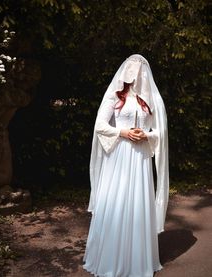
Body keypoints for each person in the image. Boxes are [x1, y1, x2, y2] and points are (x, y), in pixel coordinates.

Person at [83, 54, 169, 277]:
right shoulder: (115, 95)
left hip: (140, 158)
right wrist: (122, 132)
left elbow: (162, 132)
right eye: (133, 68)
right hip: (120, 156)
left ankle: (137, 260)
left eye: (141, 69)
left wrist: (147, 135)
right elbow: (100, 125)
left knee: (138, 203)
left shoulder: (150, 100)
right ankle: (111, 259)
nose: (137, 72)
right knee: (117, 200)